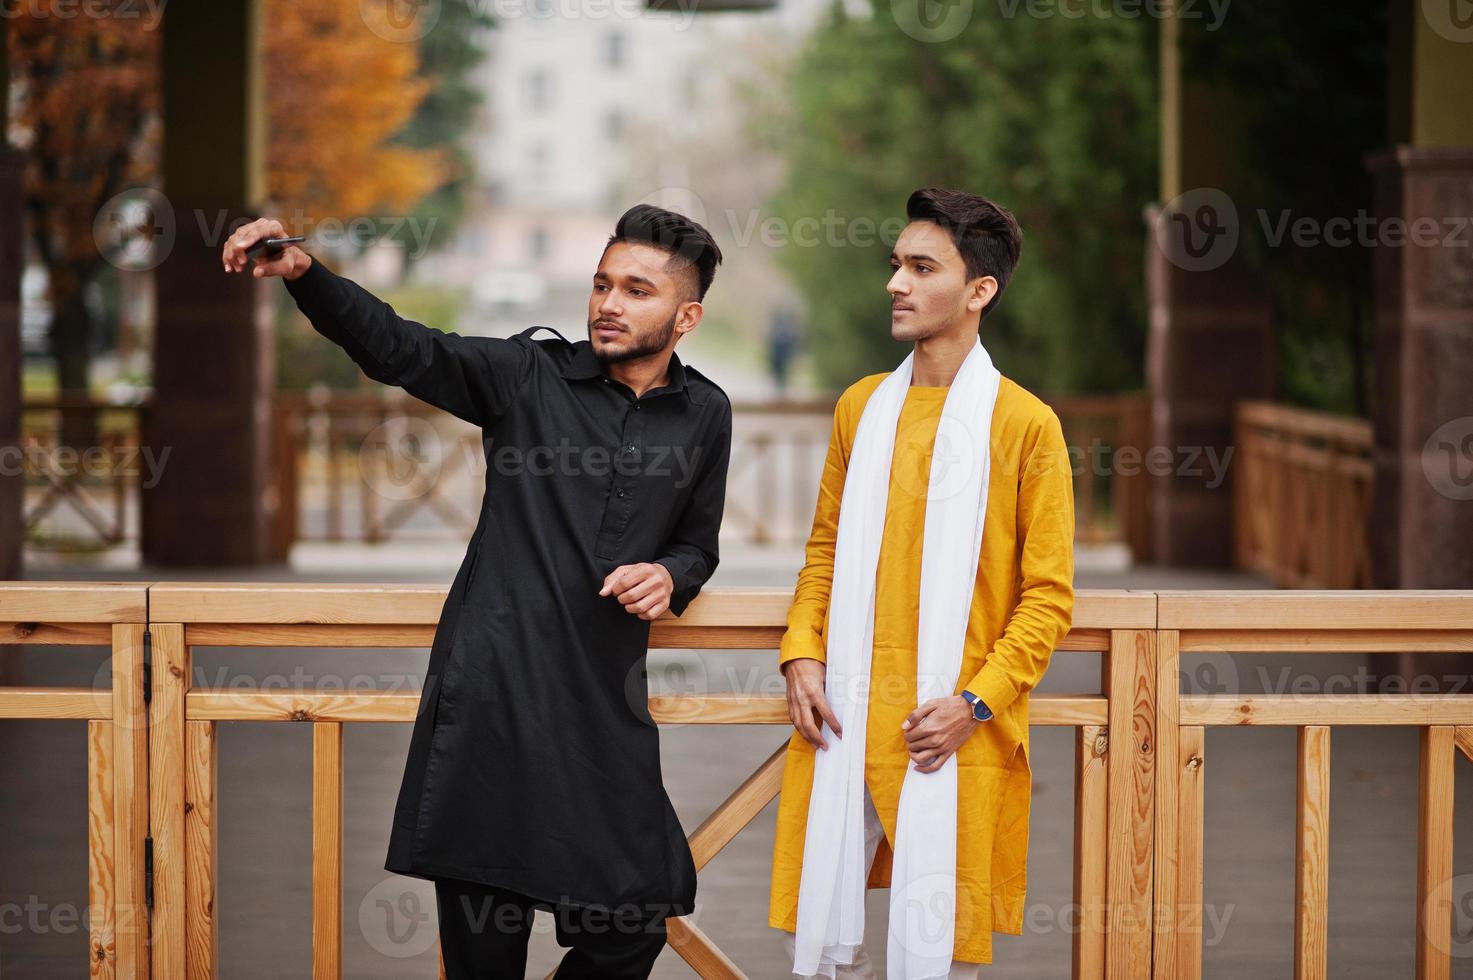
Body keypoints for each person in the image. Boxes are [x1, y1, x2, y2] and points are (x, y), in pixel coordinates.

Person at [223, 204, 733, 979]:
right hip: (490, 704)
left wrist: (671, 575)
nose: (607, 304)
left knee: (631, 923)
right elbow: (404, 348)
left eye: (636, 290)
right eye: (601, 284)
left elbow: (697, 542)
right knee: (483, 956)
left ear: (686, 315)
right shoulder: (527, 376)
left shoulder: (704, 414)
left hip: (601, 711)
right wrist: (306, 275)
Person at [767, 188, 1075, 978]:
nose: (894, 283)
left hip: (950, 727)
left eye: (920, 267)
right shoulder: (860, 408)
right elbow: (825, 552)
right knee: (827, 944)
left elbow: (1047, 596)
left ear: (980, 291)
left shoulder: (1024, 425)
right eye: (895, 264)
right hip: (842, 713)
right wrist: (801, 652)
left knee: (942, 948)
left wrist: (975, 703)